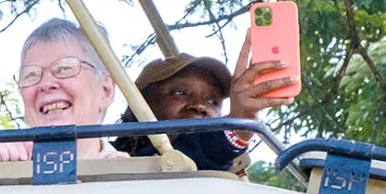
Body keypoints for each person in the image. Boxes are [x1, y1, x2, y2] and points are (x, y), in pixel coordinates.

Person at [111, 50, 296, 172]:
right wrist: (234, 129)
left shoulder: (227, 172)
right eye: (181, 93)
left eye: (212, 100)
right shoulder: (105, 163)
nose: (200, 105)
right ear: (139, 104)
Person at [0, 18, 120, 163]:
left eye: (65, 68)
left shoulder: (137, 179)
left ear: (106, 91)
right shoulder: (1, 171)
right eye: (31, 75)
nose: (45, 84)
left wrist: (124, 178)